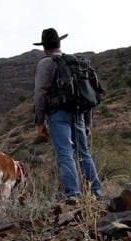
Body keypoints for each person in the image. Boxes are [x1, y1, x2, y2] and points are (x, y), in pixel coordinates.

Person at [32, 28, 102, 201]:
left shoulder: (46, 63)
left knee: (65, 154)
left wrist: (40, 122)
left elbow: (40, 92)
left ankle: (73, 194)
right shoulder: (73, 62)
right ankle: (96, 192)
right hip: (78, 113)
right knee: (84, 153)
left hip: (58, 114)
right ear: (59, 43)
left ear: (44, 47)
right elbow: (86, 94)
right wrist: (87, 123)